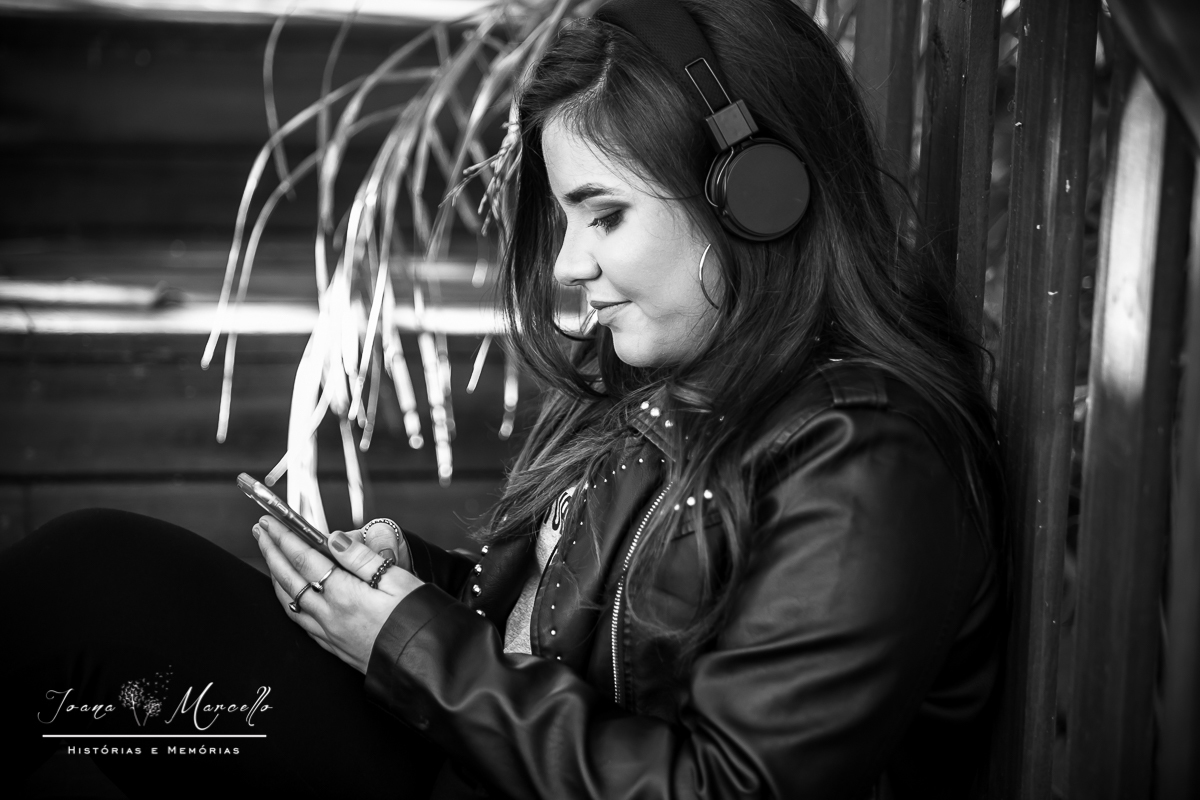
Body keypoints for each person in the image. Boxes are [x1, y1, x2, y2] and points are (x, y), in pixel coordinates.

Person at [3, 0, 1005, 797]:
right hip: (472, 753)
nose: (571, 265)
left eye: (604, 216)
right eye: (567, 220)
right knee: (92, 577)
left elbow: (721, 785)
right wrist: (411, 586)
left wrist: (410, 641)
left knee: (87, 609)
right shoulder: (674, 372)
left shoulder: (867, 462)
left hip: (481, 763)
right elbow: (579, 635)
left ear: (756, 195)